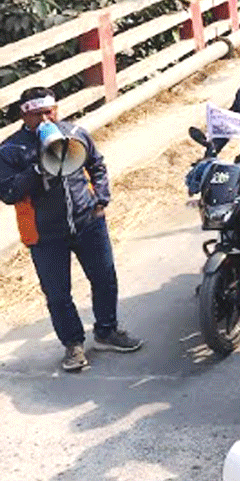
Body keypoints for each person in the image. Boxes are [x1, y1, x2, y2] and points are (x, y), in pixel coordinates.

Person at [0, 88, 143, 372]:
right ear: (23, 115)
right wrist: (39, 170)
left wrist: (100, 200)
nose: (45, 118)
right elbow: (8, 192)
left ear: (57, 108)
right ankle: (73, 345)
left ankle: (106, 331)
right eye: (37, 114)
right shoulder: (10, 150)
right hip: (44, 233)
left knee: (104, 277)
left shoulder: (76, 132)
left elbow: (97, 165)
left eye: (49, 111)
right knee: (58, 294)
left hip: (88, 221)